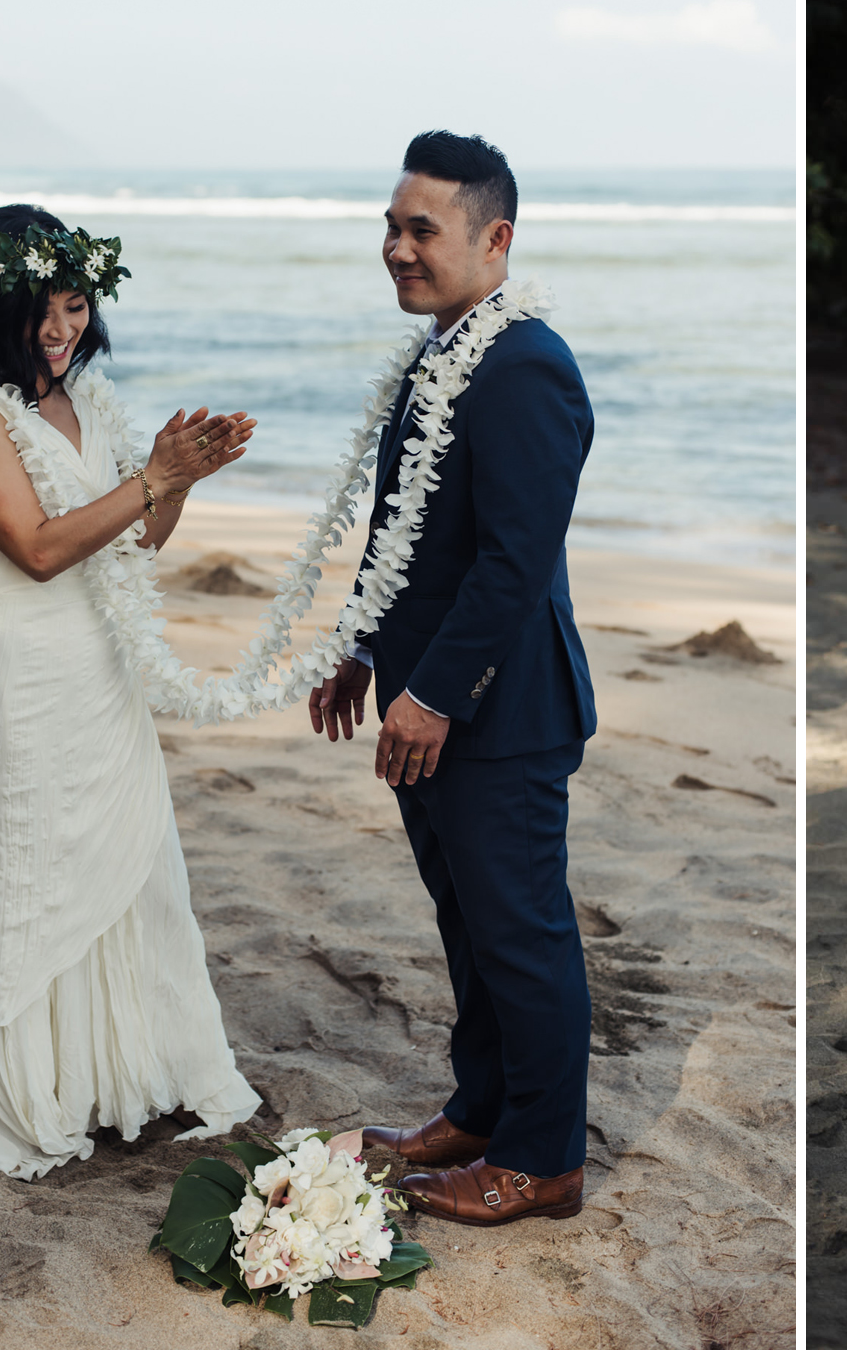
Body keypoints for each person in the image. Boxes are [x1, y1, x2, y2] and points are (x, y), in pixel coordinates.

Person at [0, 203, 262, 1178]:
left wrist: (178, 477)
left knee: (129, 863)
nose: (62, 328)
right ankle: (29, 1088)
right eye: (41, 309)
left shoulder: (85, 408)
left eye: (76, 305)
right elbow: (34, 550)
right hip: (23, 670)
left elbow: (136, 543)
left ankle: (123, 1072)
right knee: (28, 871)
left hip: (103, 668)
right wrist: (150, 475)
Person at [308, 132, 598, 1226]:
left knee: (520, 931)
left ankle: (542, 1158)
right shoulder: (442, 351)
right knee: (468, 923)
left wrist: (432, 693)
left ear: (496, 238)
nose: (396, 247)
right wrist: (360, 646)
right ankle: (482, 1108)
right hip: (420, 692)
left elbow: (513, 560)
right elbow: (411, 535)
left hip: (496, 708)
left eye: (421, 228)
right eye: (390, 225)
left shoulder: (526, 366)